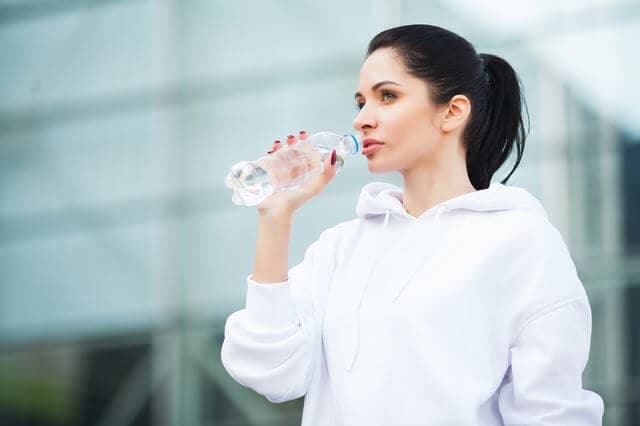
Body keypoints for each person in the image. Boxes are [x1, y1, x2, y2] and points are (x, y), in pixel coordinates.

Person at [220, 24, 604, 425]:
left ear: (452, 111)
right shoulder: (340, 248)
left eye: (387, 96)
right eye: (360, 102)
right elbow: (269, 371)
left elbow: (553, 413)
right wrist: (275, 216)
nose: (362, 120)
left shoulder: (521, 242)